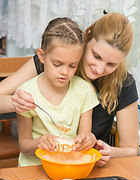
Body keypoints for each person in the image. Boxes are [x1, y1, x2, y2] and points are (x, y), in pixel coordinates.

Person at [0, 12, 139, 167]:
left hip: (86, 166)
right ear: (87, 37)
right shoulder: (53, 59)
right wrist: (15, 102)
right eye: (96, 56)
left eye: (111, 64)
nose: (99, 70)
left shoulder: (123, 83)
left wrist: (107, 152)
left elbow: (131, 149)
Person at [16, 17, 99, 166]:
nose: (65, 72)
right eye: (57, 64)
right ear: (41, 56)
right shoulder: (26, 93)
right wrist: (39, 142)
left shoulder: (85, 91)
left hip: (68, 168)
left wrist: (89, 139)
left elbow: (84, 137)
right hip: (32, 169)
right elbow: (24, 145)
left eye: (73, 66)